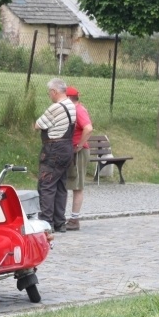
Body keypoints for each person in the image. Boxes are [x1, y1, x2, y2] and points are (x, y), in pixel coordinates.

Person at [33, 78, 76, 233]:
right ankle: (60, 222)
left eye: (49, 92)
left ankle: (47, 222)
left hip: (53, 149)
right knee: (61, 186)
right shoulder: (71, 105)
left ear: (54, 91)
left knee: (47, 185)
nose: (49, 95)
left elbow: (38, 125)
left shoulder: (55, 108)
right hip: (67, 148)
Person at [65, 86, 93, 231]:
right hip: (73, 151)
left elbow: (88, 128)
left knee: (77, 185)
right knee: (70, 184)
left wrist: (79, 145)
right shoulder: (74, 109)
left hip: (79, 153)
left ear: (68, 98)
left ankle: (74, 219)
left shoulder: (78, 110)